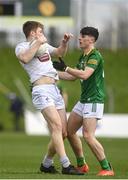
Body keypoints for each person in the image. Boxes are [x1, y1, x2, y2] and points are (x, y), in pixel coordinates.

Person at [15, 21, 83, 175]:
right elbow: (25, 58)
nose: (42, 33)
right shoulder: (21, 46)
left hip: (54, 90)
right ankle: (66, 165)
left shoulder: (44, 47)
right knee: (57, 128)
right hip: (41, 90)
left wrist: (64, 43)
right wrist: (38, 41)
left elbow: (59, 53)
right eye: (40, 31)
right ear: (32, 33)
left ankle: (46, 164)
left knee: (64, 132)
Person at [53, 26, 115, 176]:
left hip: (94, 100)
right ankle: (82, 165)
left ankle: (107, 168)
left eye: (83, 36)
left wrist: (66, 68)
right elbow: (74, 77)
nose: (80, 38)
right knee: (69, 131)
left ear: (92, 39)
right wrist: (53, 73)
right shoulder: (83, 56)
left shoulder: (95, 56)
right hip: (84, 100)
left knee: (88, 135)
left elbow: (85, 75)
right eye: (80, 36)